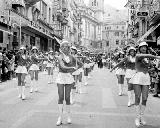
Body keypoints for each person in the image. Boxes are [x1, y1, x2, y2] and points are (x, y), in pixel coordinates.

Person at [129, 41, 160, 127]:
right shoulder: (138, 56)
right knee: (138, 96)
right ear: (139, 48)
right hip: (137, 78)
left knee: (145, 98)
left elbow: (148, 69)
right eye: (142, 47)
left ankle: (142, 117)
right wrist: (157, 56)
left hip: (146, 78)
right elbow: (148, 56)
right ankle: (137, 118)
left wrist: (154, 69)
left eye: (145, 47)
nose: (144, 48)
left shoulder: (147, 59)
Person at [56, 40, 83, 126]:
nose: (65, 48)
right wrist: (72, 68)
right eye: (63, 46)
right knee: (61, 97)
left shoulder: (72, 57)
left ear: (69, 48)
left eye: (66, 47)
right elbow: (62, 66)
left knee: (67, 97)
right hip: (61, 77)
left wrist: (76, 68)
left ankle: (68, 116)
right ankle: (60, 117)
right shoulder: (59, 56)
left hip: (68, 77)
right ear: (61, 48)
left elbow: (81, 64)